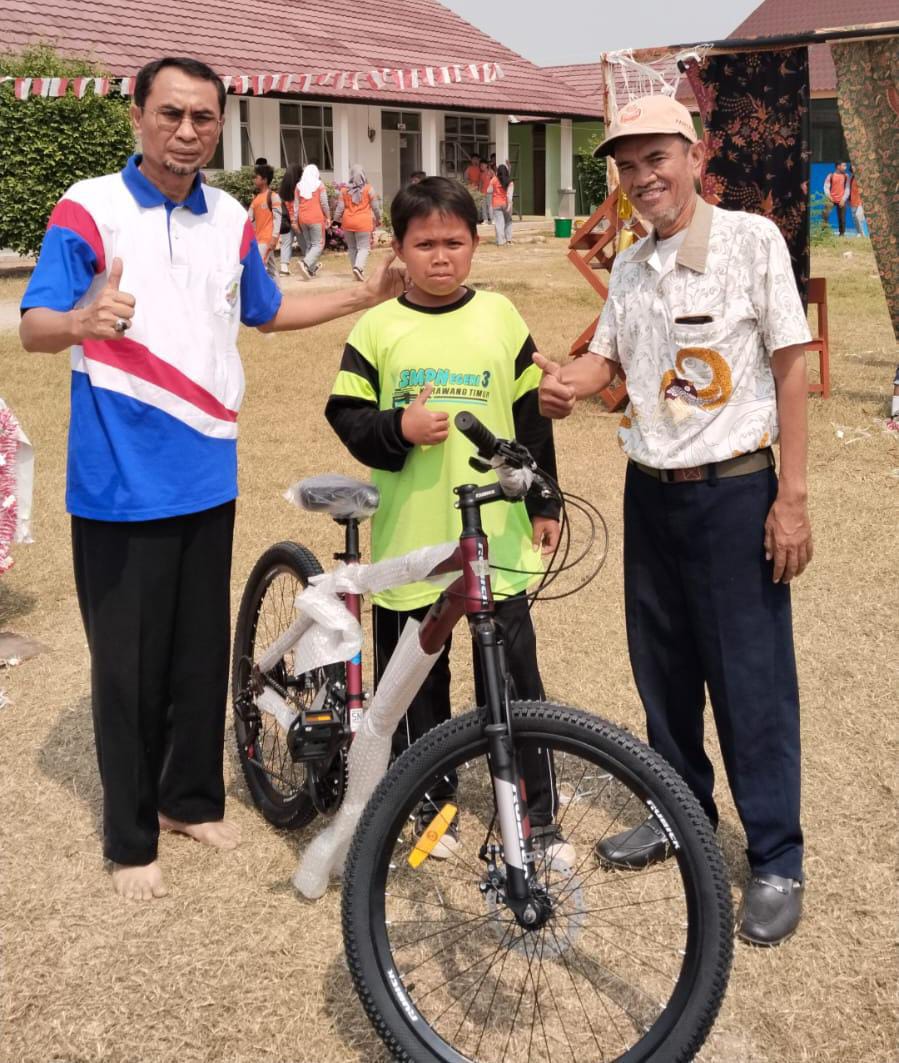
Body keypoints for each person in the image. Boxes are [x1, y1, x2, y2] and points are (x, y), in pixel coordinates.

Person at [18, 56, 405, 902]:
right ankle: (130, 838)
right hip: (118, 482)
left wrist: (359, 297)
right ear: (137, 116)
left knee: (197, 654)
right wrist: (80, 318)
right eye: (171, 114)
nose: (187, 131)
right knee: (126, 666)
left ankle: (189, 798)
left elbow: (263, 309)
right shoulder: (90, 207)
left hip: (207, 469)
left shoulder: (231, 214)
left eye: (203, 118)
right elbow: (35, 326)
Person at [535, 94, 813, 947]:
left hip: (733, 492)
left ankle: (774, 856)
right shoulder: (629, 267)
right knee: (661, 666)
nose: (642, 178)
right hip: (648, 488)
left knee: (748, 679)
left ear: (694, 156)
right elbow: (604, 362)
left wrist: (791, 497)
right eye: (626, 166)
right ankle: (676, 812)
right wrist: (562, 382)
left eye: (656, 158)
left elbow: (792, 366)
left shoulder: (748, 242)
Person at [325, 176, 568, 860]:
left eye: (453, 242)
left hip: (497, 537)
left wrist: (543, 498)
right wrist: (396, 426)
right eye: (423, 243)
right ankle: (430, 805)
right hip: (411, 536)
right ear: (396, 247)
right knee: (415, 677)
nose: (439, 256)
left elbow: (529, 417)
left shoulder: (500, 317)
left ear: (473, 244)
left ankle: (536, 814)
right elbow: (346, 413)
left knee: (516, 675)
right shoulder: (377, 326)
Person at [334, 164, 381, 281]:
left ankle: (356, 269)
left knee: (352, 248)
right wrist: (378, 218)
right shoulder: (369, 189)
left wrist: (335, 220)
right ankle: (358, 268)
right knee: (364, 247)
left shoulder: (344, 190)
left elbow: (339, 208)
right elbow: (375, 207)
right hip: (363, 223)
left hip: (348, 222)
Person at [293, 162, 331, 280]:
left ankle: (310, 270)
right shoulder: (319, 185)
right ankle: (305, 263)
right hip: (316, 217)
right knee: (318, 244)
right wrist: (328, 217)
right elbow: (324, 203)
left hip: (302, 218)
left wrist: (295, 220)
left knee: (310, 244)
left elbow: (296, 205)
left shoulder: (298, 186)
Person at [248, 162, 281, 282]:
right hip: (259, 239)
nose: (254, 179)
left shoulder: (273, 196)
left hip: (266, 239)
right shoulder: (256, 199)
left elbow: (278, 219)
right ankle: (279, 295)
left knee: (258, 268)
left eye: (256, 177)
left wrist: (274, 237)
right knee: (272, 269)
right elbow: (248, 219)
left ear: (264, 179)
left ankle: (264, 297)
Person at [277, 163, 302, 276]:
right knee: (304, 242)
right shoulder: (300, 186)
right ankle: (309, 266)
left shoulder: (282, 188)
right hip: (298, 220)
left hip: (286, 220)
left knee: (286, 243)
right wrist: (294, 220)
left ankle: (284, 268)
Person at [487, 164, 514, 245]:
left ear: (497, 172)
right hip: (505, 204)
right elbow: (509, 195)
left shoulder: (494, 180)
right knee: (508, 221)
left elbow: (488, 190)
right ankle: (508, 240)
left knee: (499, 223)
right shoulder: (510, 182)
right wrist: (509, 206)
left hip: (496, 204)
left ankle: (501, 241)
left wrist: (495, 189)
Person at [823, 161, 850, 236]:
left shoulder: (846, 176)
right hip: (830, 199)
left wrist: (843, 199)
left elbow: (847, 189)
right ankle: (825, 232)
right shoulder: (830, 176)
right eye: (843, 165)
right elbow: (826, 187)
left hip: (841, 200)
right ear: (838, 166)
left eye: (845, 165)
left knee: (842, 218)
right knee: (825, 214)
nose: (845, 167)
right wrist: (829, 196)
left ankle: (842, 234)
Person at [849, 170, 867, 237]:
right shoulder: (851, 178)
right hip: (853, 201)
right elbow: (849, 189)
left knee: (858, 215)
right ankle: (859, 233)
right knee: (855, 218)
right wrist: (849, 199)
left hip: (860, 202)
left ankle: (862, 234)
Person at [477, 159, 493, 224]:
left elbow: (495, 180)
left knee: (490, 206)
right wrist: (479, 192)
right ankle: (485, 219)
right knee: (483, 206)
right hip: (483, 192)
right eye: (481, 165)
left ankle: (492, 219)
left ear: (486, 165)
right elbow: (480, 183)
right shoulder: (481, 174)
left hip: (490, 192)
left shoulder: (491, 172)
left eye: (483, 165)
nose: (482, 166)